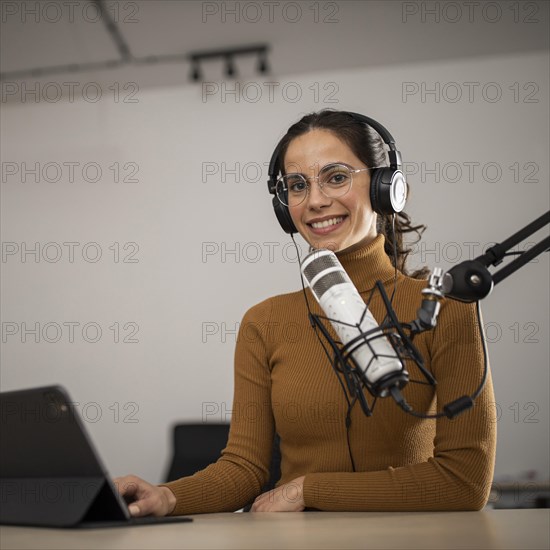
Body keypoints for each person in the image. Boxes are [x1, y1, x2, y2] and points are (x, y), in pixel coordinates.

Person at [115, 109, 496, 515]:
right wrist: (168, 496)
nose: (315, 201)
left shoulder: (445, 307)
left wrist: (307, 491)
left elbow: (464, 482)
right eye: (298, 185)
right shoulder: (264, 323)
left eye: (336, 177)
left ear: (387, 188)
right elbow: (244, 468)